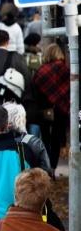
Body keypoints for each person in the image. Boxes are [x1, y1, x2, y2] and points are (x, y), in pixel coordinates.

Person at [32, 43, 70, 173]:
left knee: (45, 139)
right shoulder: (65, 69)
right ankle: (52, 168)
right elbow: (70, 90)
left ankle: (46, 167)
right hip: (61, 109)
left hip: (45, 110)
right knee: (56, 139)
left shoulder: (42, 70)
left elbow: (35, 89)